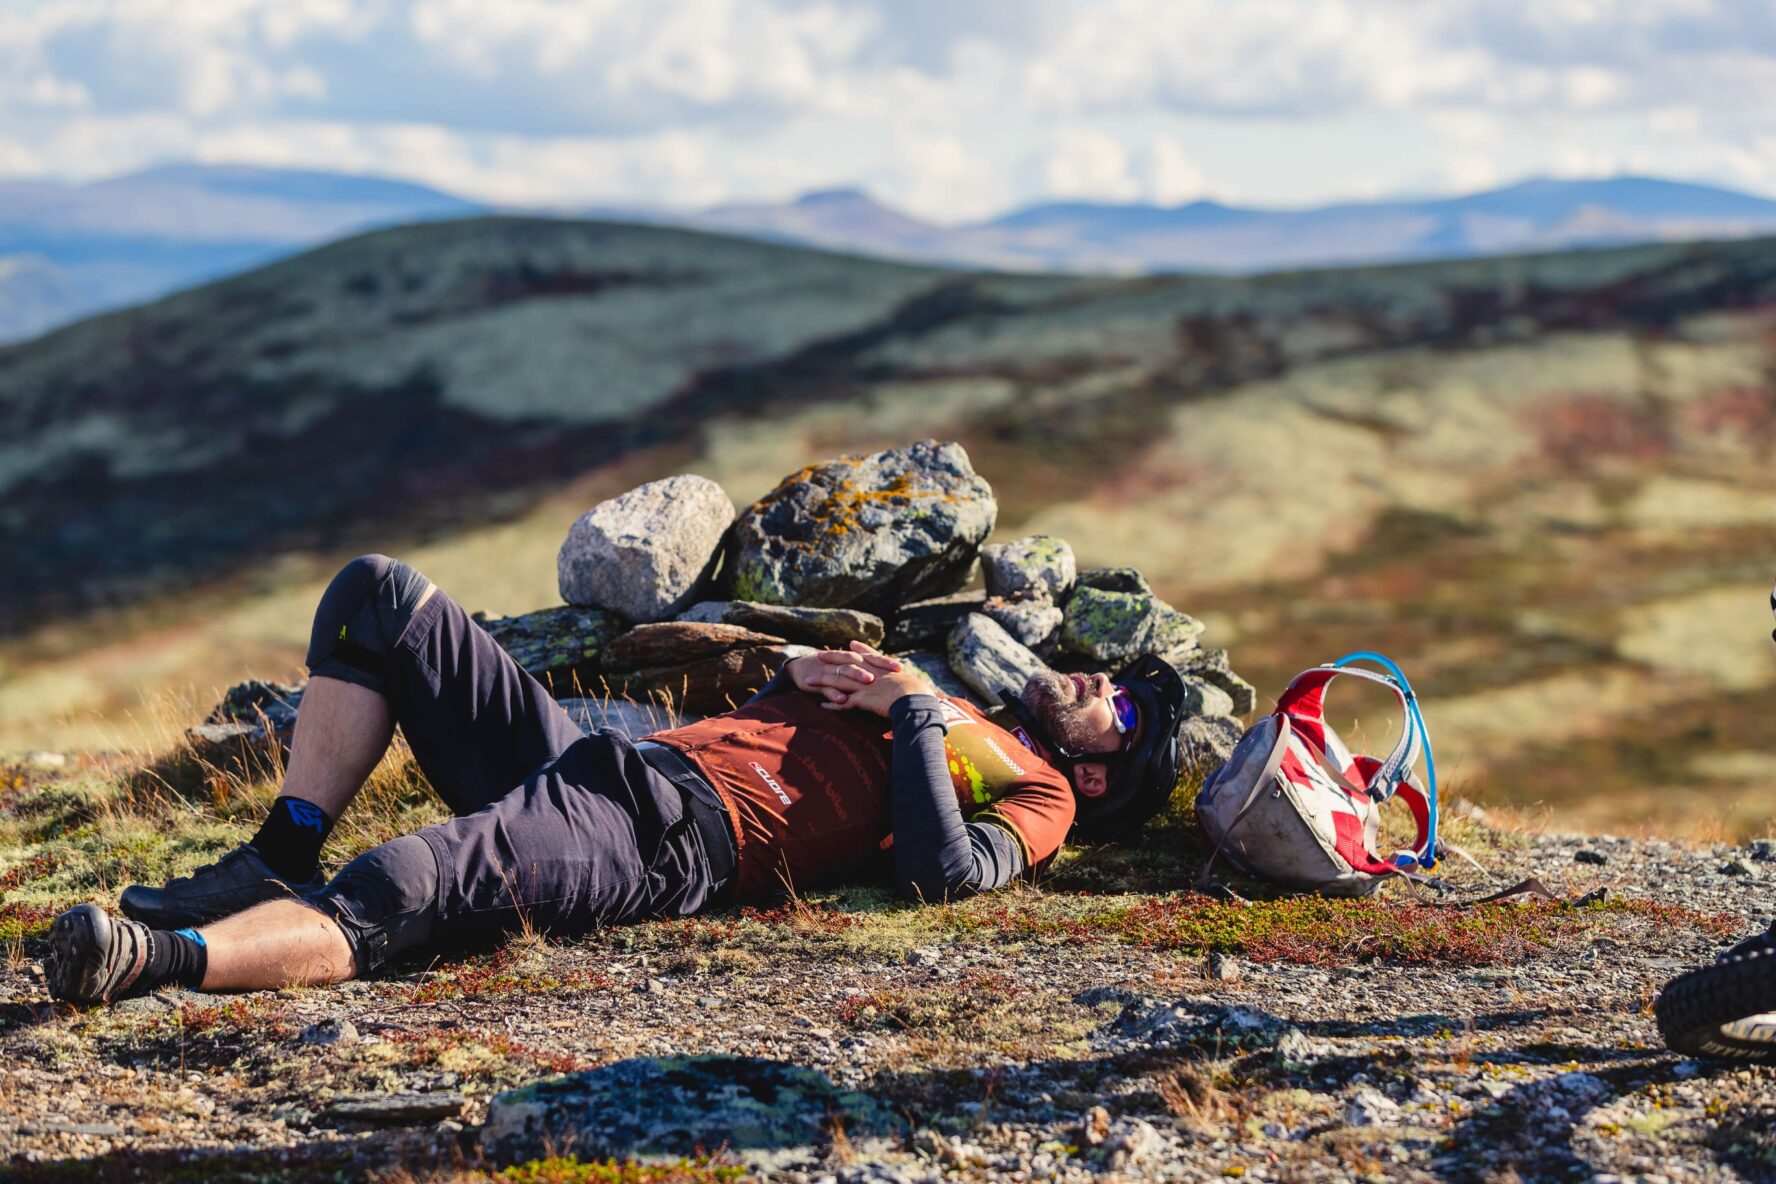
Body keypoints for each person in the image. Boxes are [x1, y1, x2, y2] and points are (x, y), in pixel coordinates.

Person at [45, 554, 1188, 1005]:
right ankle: (273, 854)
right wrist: (793, 665)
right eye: (1109, 678)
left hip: (670, 839)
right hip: (602, 758)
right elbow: (743, 690)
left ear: (1103, 771)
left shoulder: (1035, 798)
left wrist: (916, 714)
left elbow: (944, 873)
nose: (1095, 682)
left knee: (404, 880)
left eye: (1121, 704)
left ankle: (162, 961)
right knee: (379, 597)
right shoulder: (953, 707)